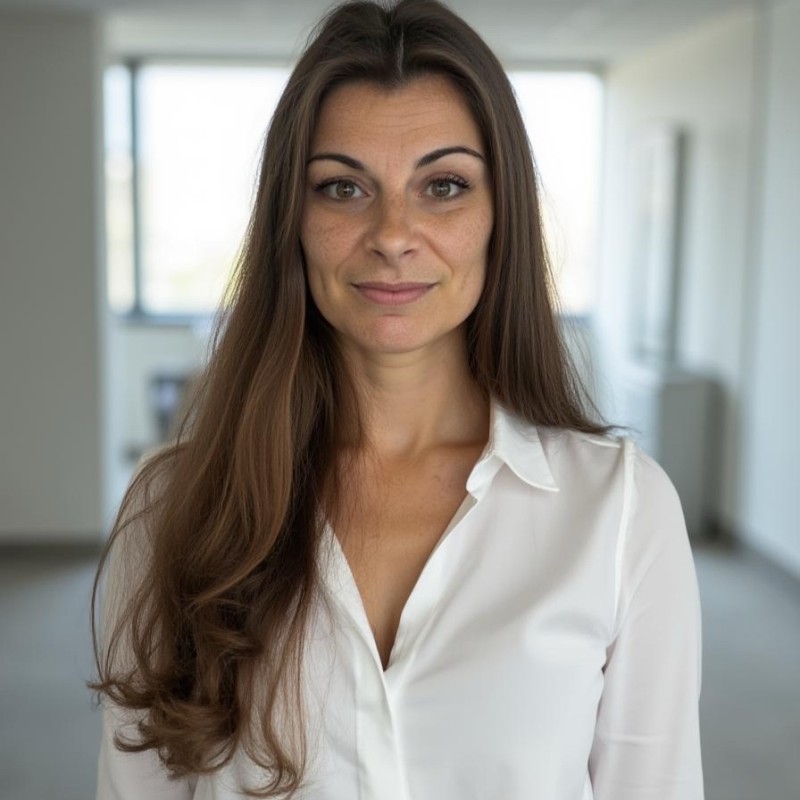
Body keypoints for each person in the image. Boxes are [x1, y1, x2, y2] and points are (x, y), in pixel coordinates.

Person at [90, 0, 704, 798]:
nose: (392, 232)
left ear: (500, 216)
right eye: (343, 188)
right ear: (293, 220)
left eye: (443, 185)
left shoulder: (620, 512)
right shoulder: (173, 507)